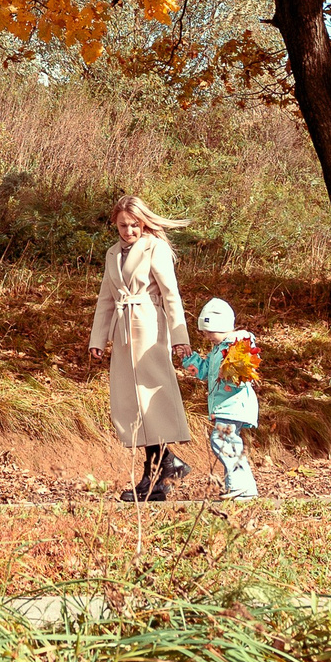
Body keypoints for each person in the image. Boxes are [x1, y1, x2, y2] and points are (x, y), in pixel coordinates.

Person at [89, 194, 193, 501]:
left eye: (135, 225)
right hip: (123, 332)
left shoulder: (154, 248)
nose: (129, 231)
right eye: (123, 225)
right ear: (115, 224)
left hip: (149, 327)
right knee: (133, 404)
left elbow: (171, 294)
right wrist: (98, 339)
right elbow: (106, 299)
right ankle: (165, 468)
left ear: (144, 223)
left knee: (151, 400)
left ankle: (157, 474)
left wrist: (180, 337)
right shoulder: (112, 254)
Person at [186, 298, 260, 501]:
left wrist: (228, 372)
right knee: (229, 442)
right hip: (224, 406)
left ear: (224, 327)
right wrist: (189, 358)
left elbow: (243, 375)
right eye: (205, 332)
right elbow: (203, 372)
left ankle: (240, 485)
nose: (207, 336)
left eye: (211, 332)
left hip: (234, 405)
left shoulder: (239, 346)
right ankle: (241, 488)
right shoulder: (217, 350)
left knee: (221, 439)